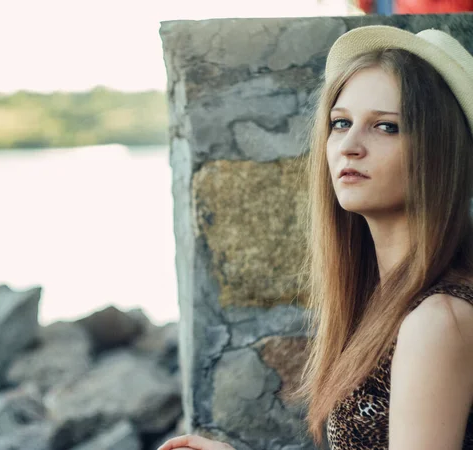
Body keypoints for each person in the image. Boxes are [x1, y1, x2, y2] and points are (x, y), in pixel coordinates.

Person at [158, 25, 473, 450]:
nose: (349, 146)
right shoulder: (383, 299)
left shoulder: (437, 320)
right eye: (340, 123)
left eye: (386, 127)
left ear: (441, 151)